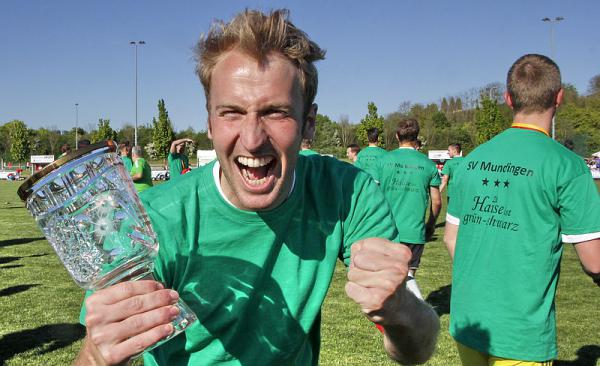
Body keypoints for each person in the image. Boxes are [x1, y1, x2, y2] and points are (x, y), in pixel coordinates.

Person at [75, 9, 439, 366]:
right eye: (231, 112)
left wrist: (400, 309)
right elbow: (98, 349)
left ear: (308, 123)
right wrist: (95, 355)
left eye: (275, 112)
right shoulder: (153, 222)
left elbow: (417, 351)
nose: (252, 140)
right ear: (210, 123)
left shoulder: (345, 192)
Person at [444, 54, 600, 365]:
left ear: (508, 98)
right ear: (559, 97)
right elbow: (594, 260)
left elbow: (451, 239)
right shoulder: (566, 165)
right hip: (519, 329)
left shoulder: (473, 160)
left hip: (468, 319)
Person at [375, 118, 442, 299]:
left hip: (387, 229)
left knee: (390, 279)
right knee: (408, 276)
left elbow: (373, 195)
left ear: (397, 136)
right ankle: (410, 313)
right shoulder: (428, 164)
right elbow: (436, 202)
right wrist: (431, 224)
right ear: (416, 137)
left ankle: (407, 314)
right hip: (414, 231)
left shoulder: (384, 160)